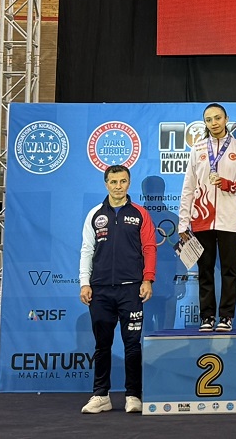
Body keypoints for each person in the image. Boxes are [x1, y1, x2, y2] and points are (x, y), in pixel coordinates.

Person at [78, 165, 156, 414]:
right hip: (100, 290)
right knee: (102, 344)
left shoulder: (140, 214)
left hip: (131, 290)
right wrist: (84, 282)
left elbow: (149, 248)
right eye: (113, 182)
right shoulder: (94, 214)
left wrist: (147, 279)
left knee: (132, 344)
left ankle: (133, 395)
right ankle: (101, 395)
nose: (118, 186)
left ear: (129, 183)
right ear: (106, 184)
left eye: (122, 181)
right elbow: (87, 250)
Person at [178, 103, 236, 331]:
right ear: (205, 123)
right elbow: (188, 187)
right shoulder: (198, 149)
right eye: (209, 119)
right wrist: (183, 222)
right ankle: (207, 317)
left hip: (229, 219)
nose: (214, 123)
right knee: (205, 270)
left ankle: (226, 317)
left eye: (218, 118)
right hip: (201, 218)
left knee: (229, 270)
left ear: (226, 119)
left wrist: (228, 184)